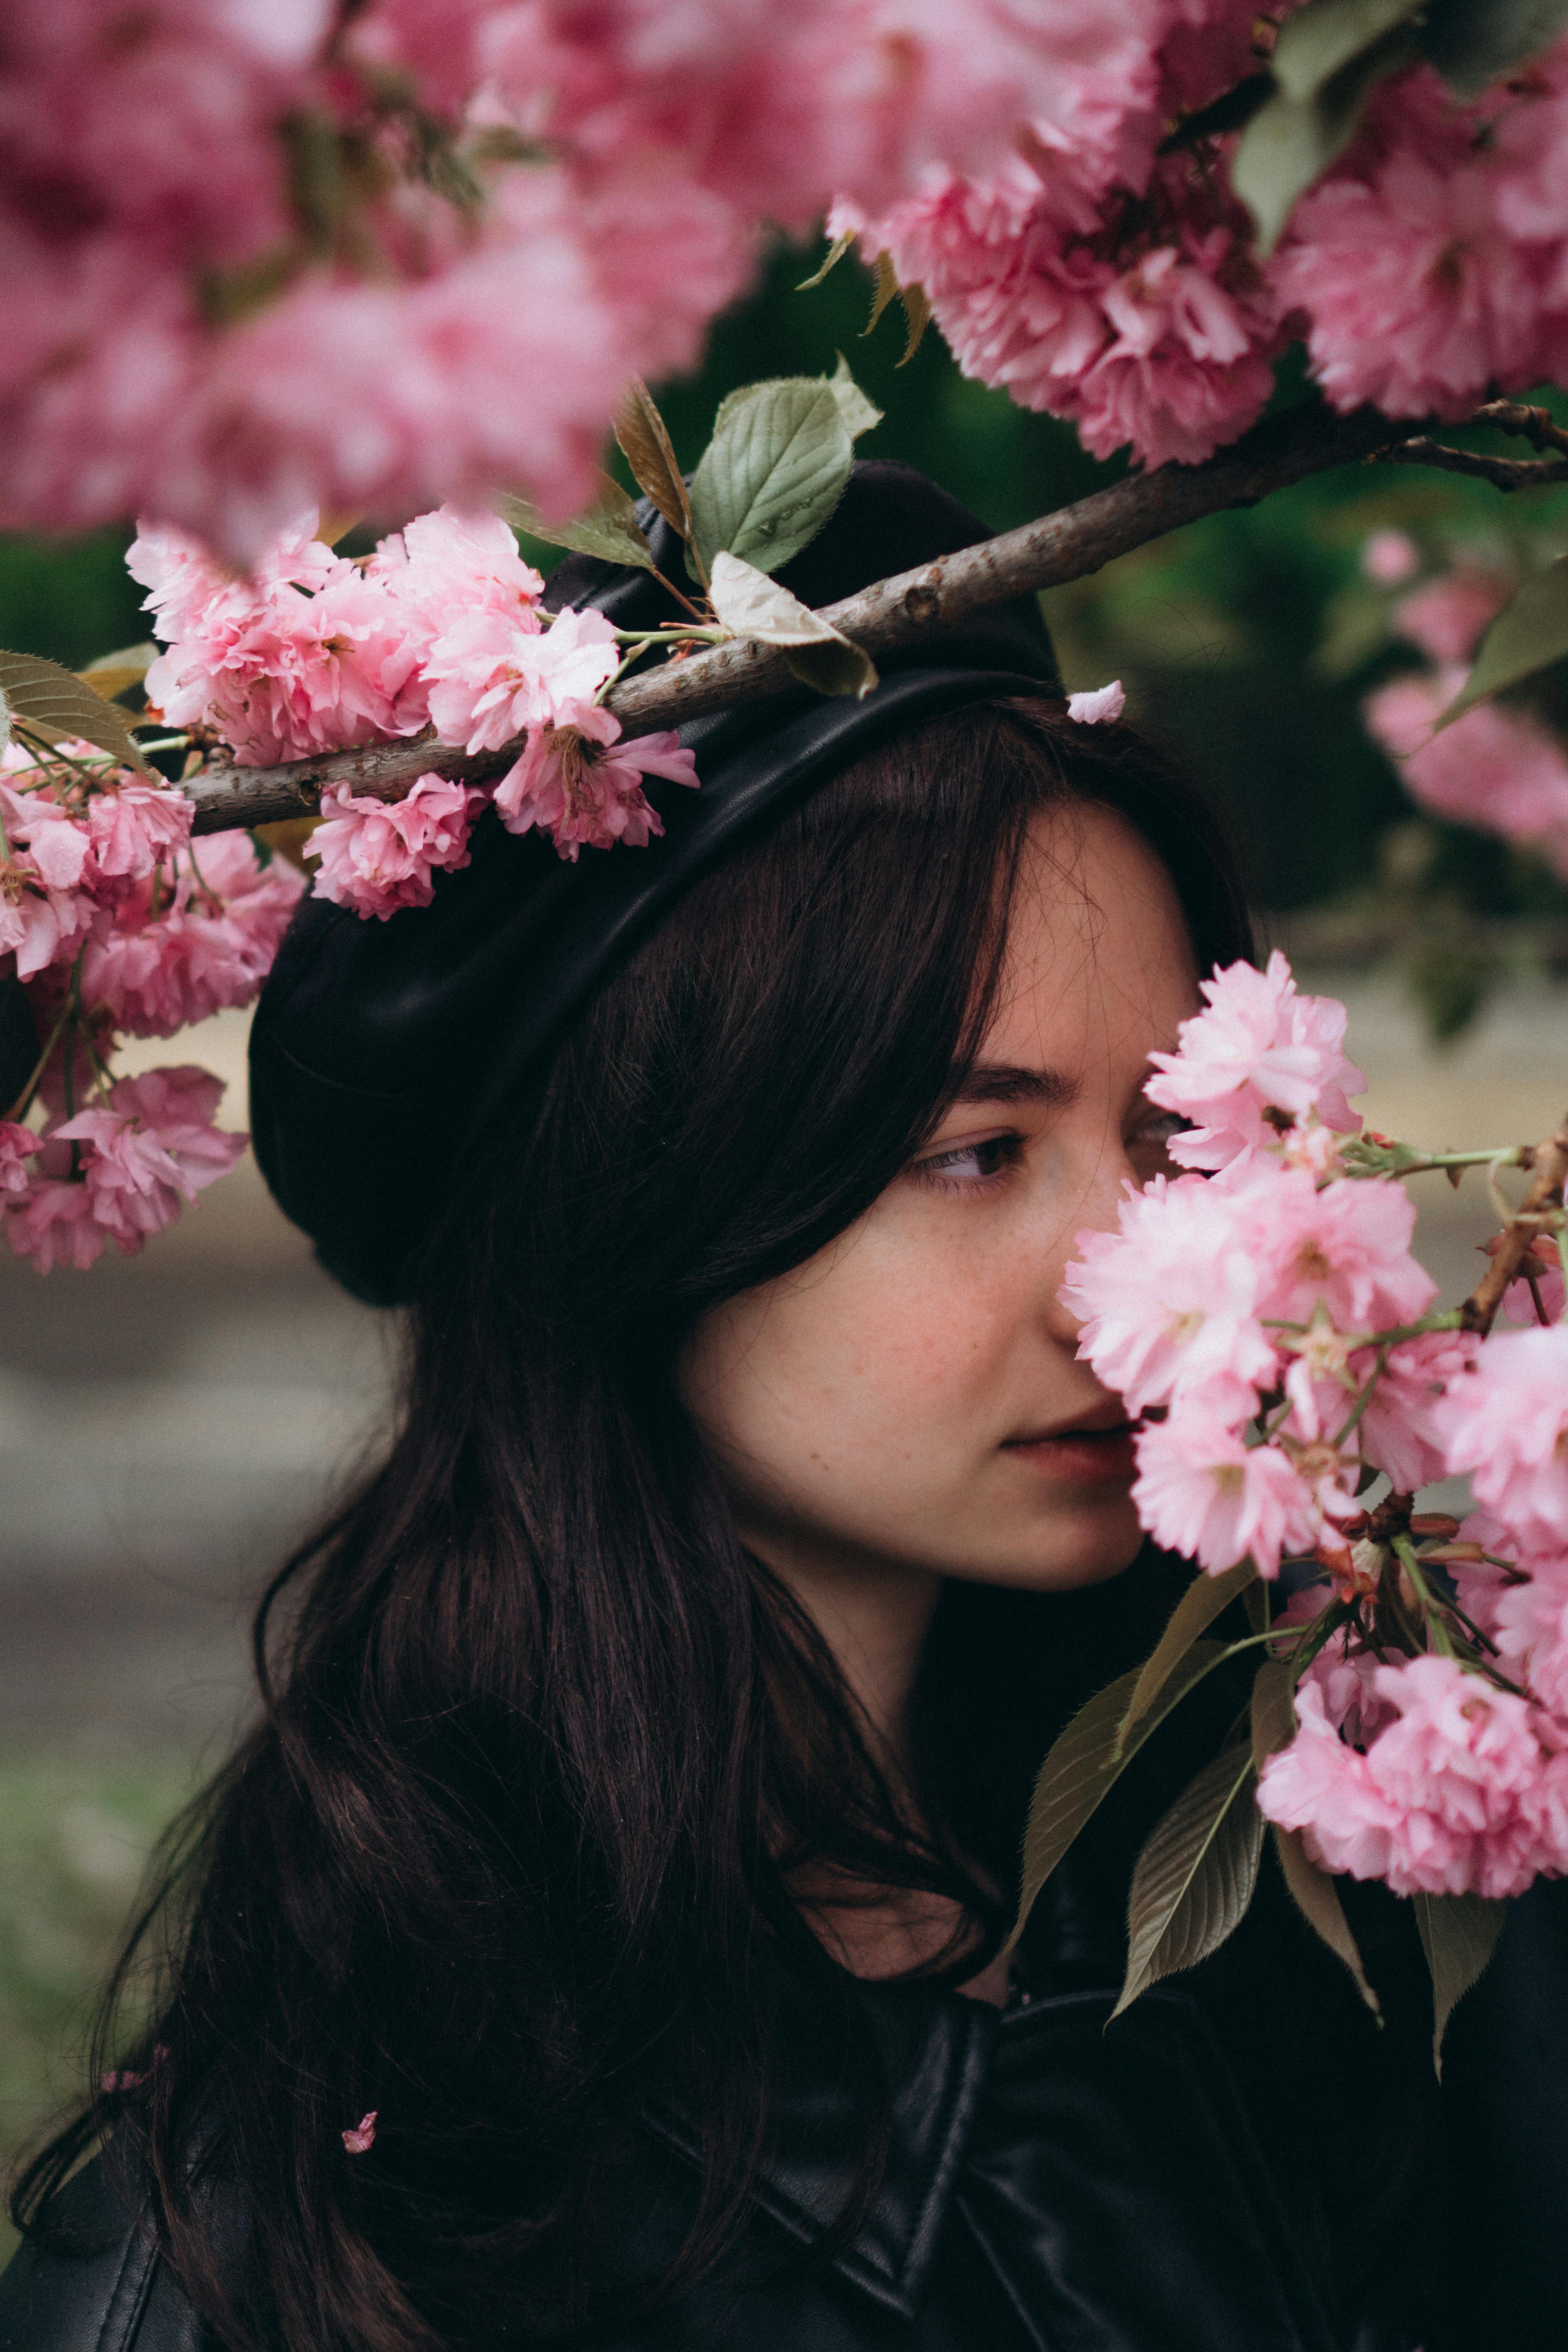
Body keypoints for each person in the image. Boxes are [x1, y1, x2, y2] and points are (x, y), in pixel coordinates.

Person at [2, 466, 1558, 2352]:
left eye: (1172, 1136)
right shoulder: (319, 2238)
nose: (1146, 1276)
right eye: (978, 1153)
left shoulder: (1364, 1863)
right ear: (651, 1198)